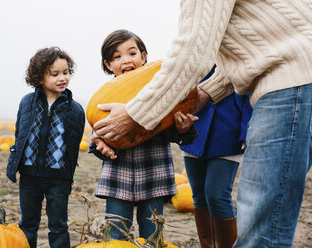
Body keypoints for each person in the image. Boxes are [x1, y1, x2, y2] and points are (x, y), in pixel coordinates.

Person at [92, 1, 312, 247]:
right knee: (261, 218)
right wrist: (205, 92)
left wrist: (134, 114)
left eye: (132, 53)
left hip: (290, 82)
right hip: (292, 78)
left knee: (259, 222)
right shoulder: (111, 93)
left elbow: (193, 54)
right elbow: (243, 57)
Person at [89, 29, 198, 240]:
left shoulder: (160, 91)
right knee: (117, 236)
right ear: (108, 65)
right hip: (117, 178)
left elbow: (172, 129)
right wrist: (100, 146)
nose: (126, 60)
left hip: (154, 176)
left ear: (144, 57)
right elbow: (97, 133)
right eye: (117, 57)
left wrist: (182, 129)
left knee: (153, 236)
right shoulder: (106, 95)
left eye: (132, 53)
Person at [6, 47, 85, 248]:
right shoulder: (27, 103)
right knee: (28, 224)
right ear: (40, 78)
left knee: (58, 225)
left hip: (58, 177)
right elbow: (20, 134)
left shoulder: (74, 109)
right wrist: (15, 164)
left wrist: (68, 175)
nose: (62, 78)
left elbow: (74, 144)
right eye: (55, 74)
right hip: (29, 175)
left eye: (66, 72)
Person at [180, 67, 252, 247]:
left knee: (217, 195)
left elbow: (250, 91)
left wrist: (246, 130)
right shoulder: (196, 55)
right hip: (194, 131)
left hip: (228, 132)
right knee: (199, 195)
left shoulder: (237, 49)